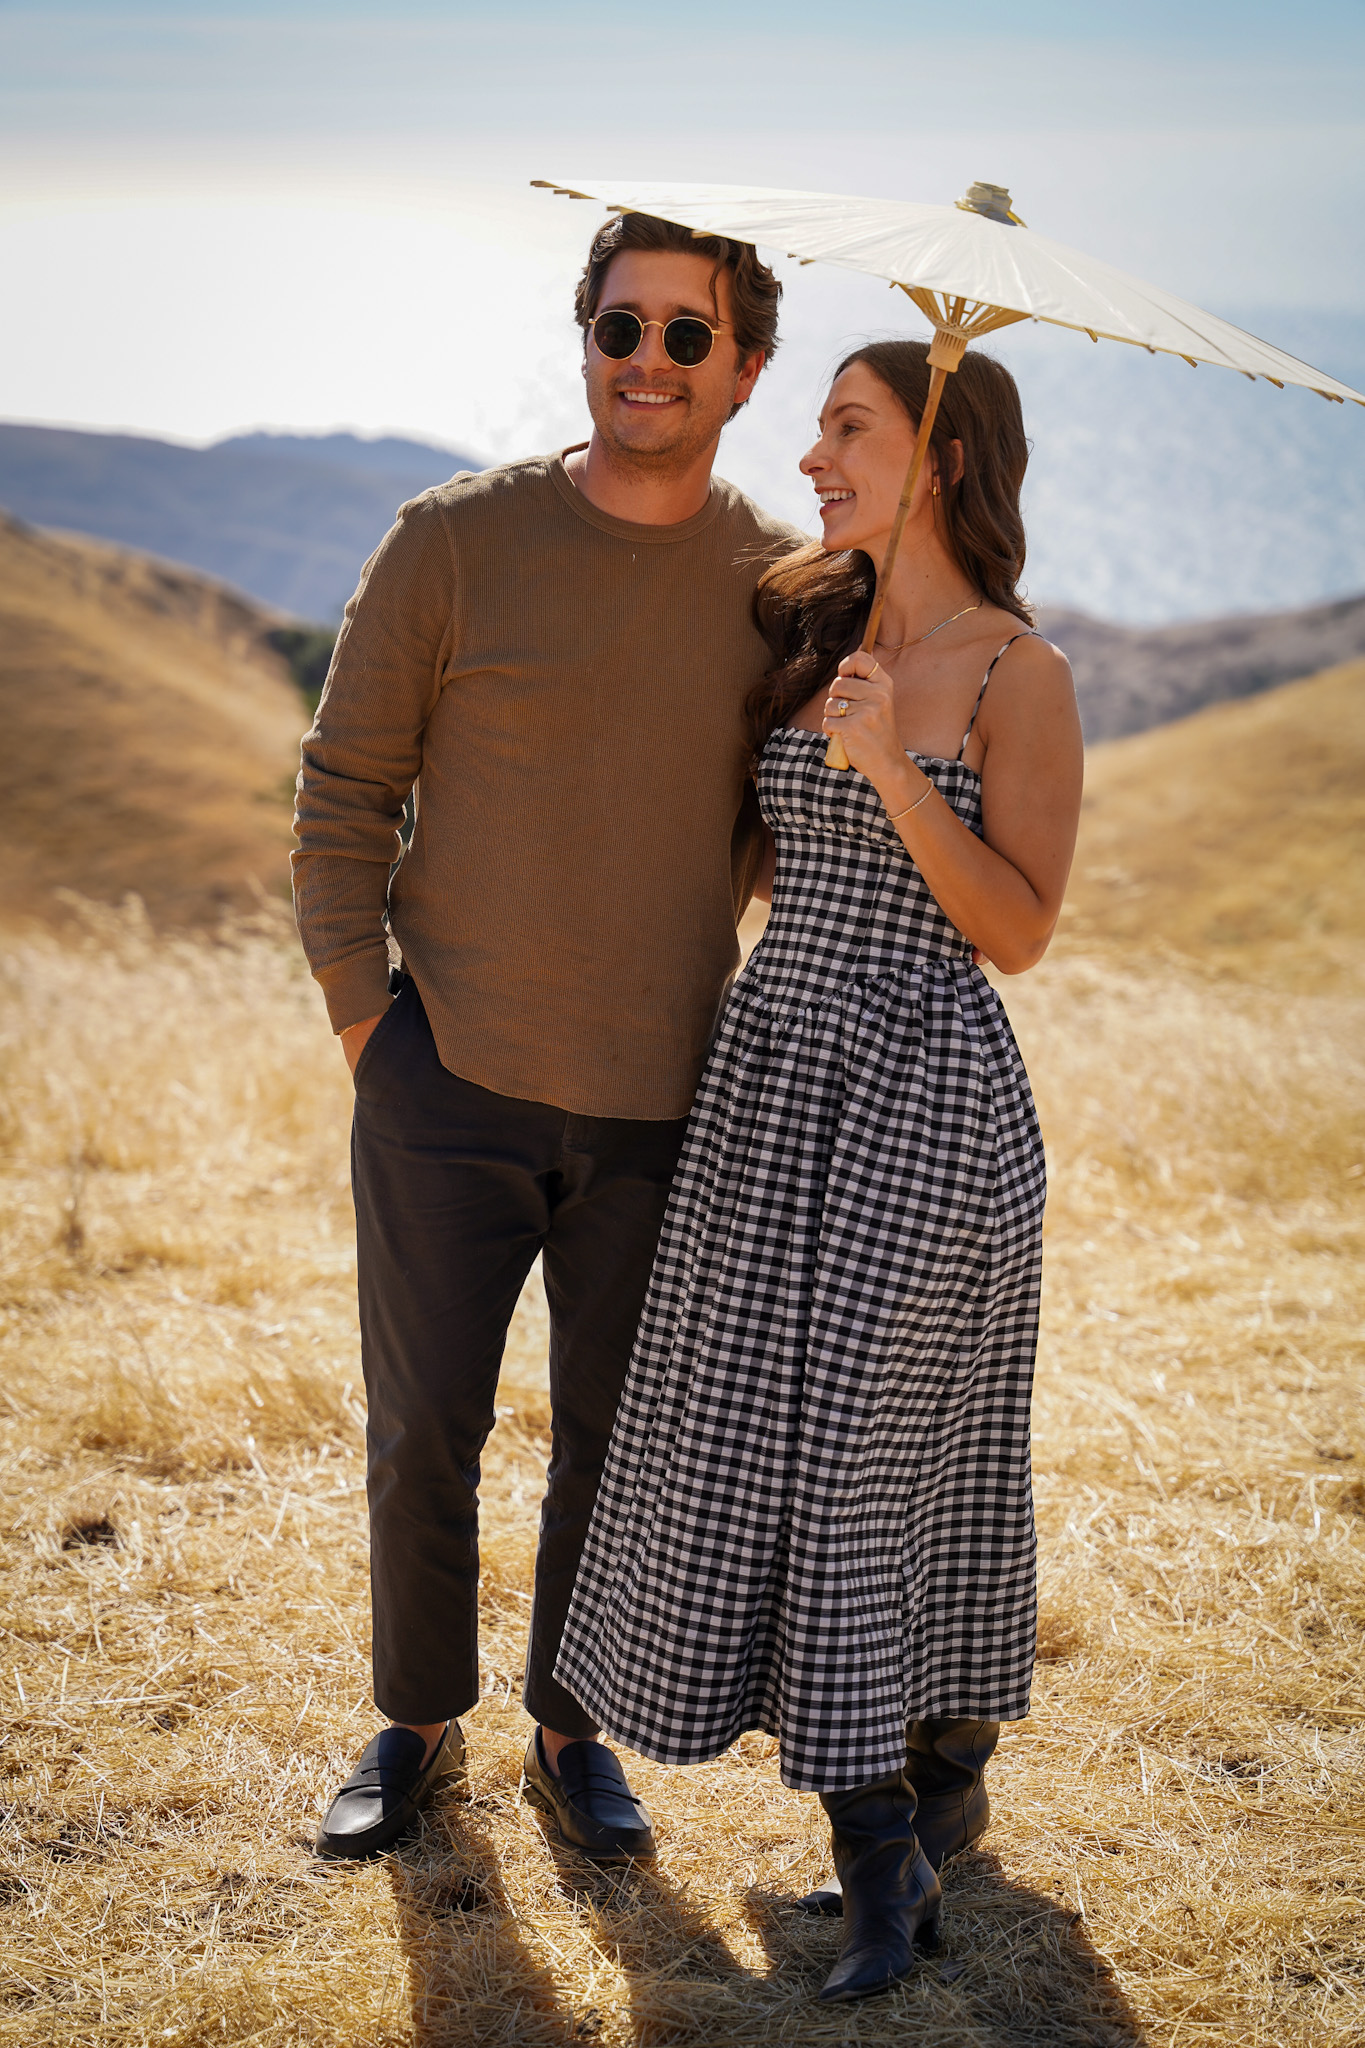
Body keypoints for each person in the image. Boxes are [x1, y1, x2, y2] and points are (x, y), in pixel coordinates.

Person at [556, 339, 1083, 2000]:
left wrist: (886, 772)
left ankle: (880, 1862)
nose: (811, 456)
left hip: (925, 1101)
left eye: (848, 426)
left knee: (862, 1461)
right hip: (771, 1089)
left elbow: (1017, 928)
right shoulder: (815, 644)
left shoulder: (1018, 673)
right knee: (753, 1448)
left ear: (937, 455)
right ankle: (922, 1793)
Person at [292, 210, 797, 1863]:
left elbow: (787, 826)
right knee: (423, 1428)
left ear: (744, 368)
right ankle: (413, 1723)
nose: (646, 361)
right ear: (583, 338)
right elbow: (343, 791)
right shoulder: (451, 542)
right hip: (443, 1078)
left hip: (663, 1102)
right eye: (619, 326)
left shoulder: (786, 589)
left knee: (615, 1444)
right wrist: (370, 1027)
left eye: (685, 334)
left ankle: (572, 1730)